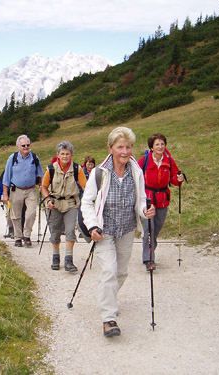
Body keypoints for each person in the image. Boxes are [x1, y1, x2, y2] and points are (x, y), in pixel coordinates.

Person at [81, 126, 155, 338]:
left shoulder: (136, 171)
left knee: (121, 272)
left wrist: (145, 210)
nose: (125, 151)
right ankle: (108, 318)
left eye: (128, 147)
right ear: (110, 148)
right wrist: (93, 226)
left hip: (127, 228)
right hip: (104, 230)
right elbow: (86, 203)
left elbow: (141, 199)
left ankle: (109, 298)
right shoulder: (99, 173)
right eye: (120, 147)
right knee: (109, 271)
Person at [138, 133, 184, 271]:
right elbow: (136, 178)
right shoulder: (144, 161)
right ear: (151, 147)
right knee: (149, 229)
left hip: (163, 200)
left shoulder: (169, 161)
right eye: (157, 144)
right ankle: (149, 259)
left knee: (156, 230)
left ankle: (148, 249)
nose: (160, 147)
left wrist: (179, 179)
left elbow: (174, 179)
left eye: (162, 144)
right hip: (148, 199)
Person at [40, 141, 87, 272]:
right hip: (54, 204)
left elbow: (85, 186)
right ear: (58, 155)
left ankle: (68, 260)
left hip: (71, 204)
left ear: (71, 155)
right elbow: (43, 187)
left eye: (67, 154)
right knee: (54, 232)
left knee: (70, 230)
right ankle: (55, 257)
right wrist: (48, 200)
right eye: (62, 154)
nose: (65, 156)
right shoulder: (51, 169)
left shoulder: (77, 169)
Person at [2, 135, 43, 247]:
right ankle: (18, 237)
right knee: (15, 215)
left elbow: (40, 174)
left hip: (31, 190)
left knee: (31, 213)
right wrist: (5, 194)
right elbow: (6, 177)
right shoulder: (13, 158)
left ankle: (27, 235)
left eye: (28, 145)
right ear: (18, 147)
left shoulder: (34, 158)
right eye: (23, 145)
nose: (26, 147)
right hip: (16, 190)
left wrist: (41, 185)